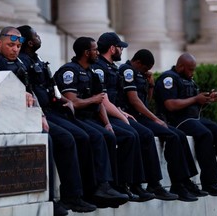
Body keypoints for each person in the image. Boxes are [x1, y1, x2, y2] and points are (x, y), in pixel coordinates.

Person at [16, 25, 128, 209]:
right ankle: (75, 195)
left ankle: (103, 187)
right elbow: (30, 91)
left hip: (53, 110)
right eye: (36, 35)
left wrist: (61, 101)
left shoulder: (38, 60)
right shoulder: (23, 62)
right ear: (29, 41)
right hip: (39, 113)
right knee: (74, 138)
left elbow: (53, 90)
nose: (39, 37)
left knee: (99, 135)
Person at [53, 36, 152, 203]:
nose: (97, 53)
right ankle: (98, 187)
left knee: (110, 134)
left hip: (92, 117)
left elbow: (100, 103)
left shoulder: (91, 72)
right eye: (94, 50)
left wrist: (107, 124)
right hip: (76, 117)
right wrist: (93, 101)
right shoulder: (69, 70)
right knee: (97, 137)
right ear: (86, 52)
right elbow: (73, 103)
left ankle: (112, 185)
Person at [92, 32, 179, 202]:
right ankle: (126, 184)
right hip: (102, 115)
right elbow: (103, 100)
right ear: (112, 48)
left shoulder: (112, 68)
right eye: (119, 47)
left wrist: (122, 113)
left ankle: (148, 183)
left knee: (144, 134)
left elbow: (114, 99)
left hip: (115, 112)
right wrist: (123, 117)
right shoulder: (99, 68)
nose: (122, 51)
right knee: (133, 134)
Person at [153, 52, 217, 196]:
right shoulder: (168, 78)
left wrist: (206, 100)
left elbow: (194, 104)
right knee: (205, 135)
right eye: (190, 69)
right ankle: (209, 183)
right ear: (180, 66)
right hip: (177, 121)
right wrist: (195, 99)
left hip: (194, 118)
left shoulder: (189, 79)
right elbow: (170, 105)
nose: (192, 72)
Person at [118, 49, 209, 201]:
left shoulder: (138, 73)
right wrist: (155, 119)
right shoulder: (127, 70)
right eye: (146, 68)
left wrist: (151, 86)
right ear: (138, 63)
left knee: (178, 135)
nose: (147, 71)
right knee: (169, 136)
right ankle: (160, 184)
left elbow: (145, 100)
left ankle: (185, 181)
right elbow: (134, 101)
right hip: (132, 117)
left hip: (141, 117)